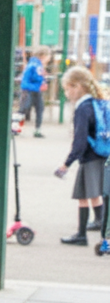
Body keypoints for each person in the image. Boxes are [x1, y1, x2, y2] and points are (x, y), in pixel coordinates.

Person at [55, 65, 108, 245]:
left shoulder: (82, 108)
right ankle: (100, 224)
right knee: (95, 194)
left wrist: (66, 163)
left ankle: (82, 235)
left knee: (83, 195)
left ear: (77, 86)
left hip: (89, 157)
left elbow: (79, 142)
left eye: (67, 89)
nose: (66, 93)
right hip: (102, 154)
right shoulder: (98, 103)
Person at [19, 46, 51, 137]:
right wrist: (40, 83)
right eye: (48, 56)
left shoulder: (36, 65)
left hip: (33, 89)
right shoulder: (35, 65)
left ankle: (36, 129)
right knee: (25, 109)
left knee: (35, 108)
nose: (49, 58)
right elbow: (33, 78)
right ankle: (17, 127)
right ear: (43, 55)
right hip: (30, 89)